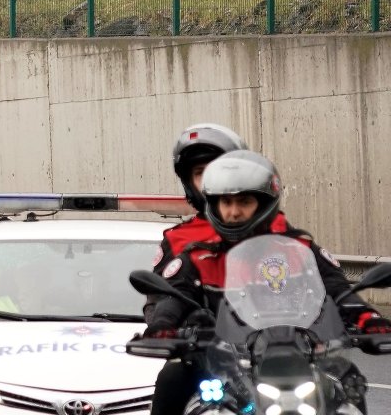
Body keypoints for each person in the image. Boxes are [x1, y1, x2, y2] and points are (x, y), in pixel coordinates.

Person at [142, 150, 391, 415]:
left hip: (300, 360)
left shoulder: (299, 249)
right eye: (226, 202)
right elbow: (175, 297)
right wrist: (163, 325)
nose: (234, 212)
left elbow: (339, 291)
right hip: (223, 366)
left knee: (347, 384)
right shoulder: (197, 256)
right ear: (213, 206)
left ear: (264, 203)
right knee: (173, 377)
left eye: (244, 201)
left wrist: (369, 319)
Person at [145, 123, 248, 324]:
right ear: (189, 182)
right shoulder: (177, 239)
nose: (211, 179)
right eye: (200, 173)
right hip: (208, 350)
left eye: (217, 169)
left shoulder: (274, 230)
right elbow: (158, 303)